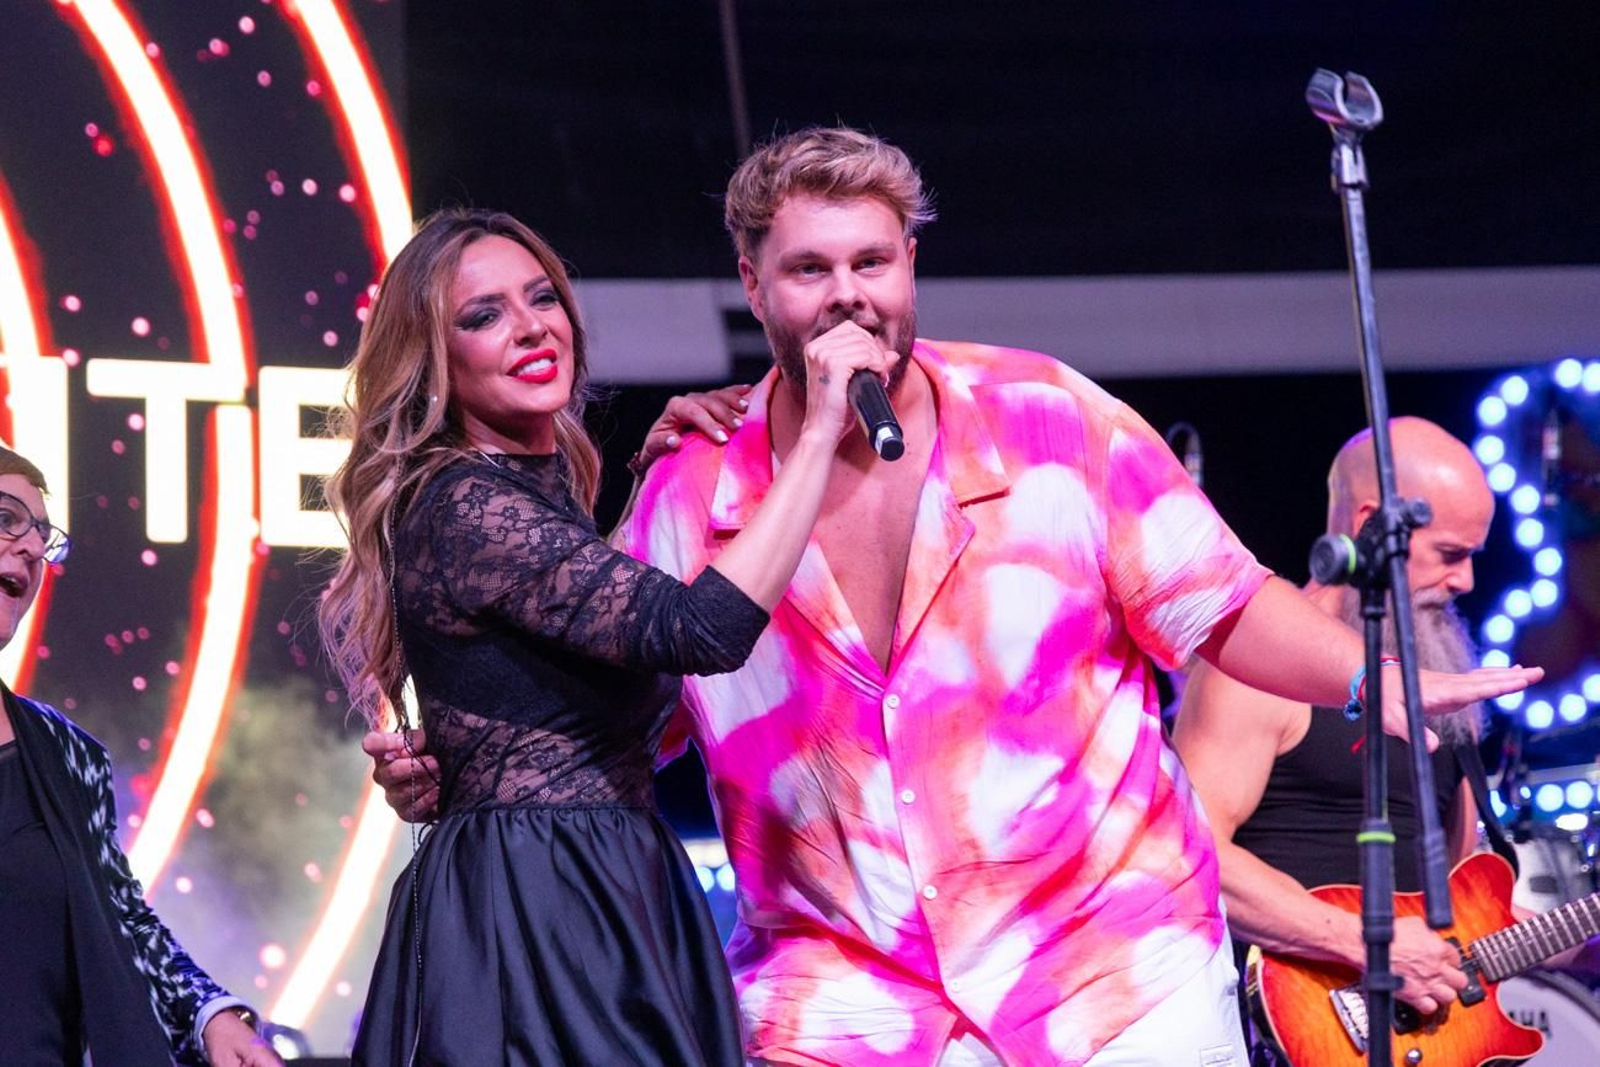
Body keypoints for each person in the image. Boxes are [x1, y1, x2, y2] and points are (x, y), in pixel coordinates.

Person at [368, 130, 1540, 1066]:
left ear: (910, 265)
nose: (847, 297)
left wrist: (1377, 678)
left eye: (871, 263)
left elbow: (1221, 605)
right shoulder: (694, 487)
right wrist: (459, 757)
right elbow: (621, 707)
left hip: (1111, 974)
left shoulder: (1048, 417)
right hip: (842, 1004)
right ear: (753, 284)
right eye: (809, 269)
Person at [318, 207, 880, 1065]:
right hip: (541, 907)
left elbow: (573, 646)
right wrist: (819, 433)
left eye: (541, 297)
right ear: (434, 361)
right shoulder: (464, 505)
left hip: (602, 885)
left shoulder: (532, 493)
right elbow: (701, 629)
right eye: (483, 315)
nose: (530, 326)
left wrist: (653, 480)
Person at [1171, 418, 1599, 1057]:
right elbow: (1189, 854)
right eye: (1449, 554)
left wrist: (1579, 937)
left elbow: (1461, 912)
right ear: (1369, 525)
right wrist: (1365, 944)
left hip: (1417, 1038)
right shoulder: (1258, 672)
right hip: (1283, 1029)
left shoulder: (1445, 688)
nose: (1466, 581)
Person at [0, 446, 277, 1065]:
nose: (31, 548)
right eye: (5, 518)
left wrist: (210, 1015)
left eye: (43, 535)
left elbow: (121, 919)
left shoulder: (67, 757)